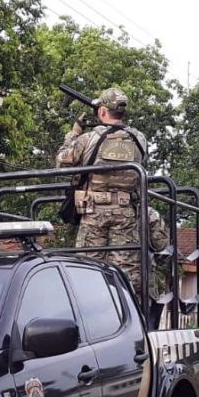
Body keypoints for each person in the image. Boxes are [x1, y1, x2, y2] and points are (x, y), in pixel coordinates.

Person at [56, 87, 149, 298]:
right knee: (126, 276)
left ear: (101, 112)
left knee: (87, 271)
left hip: (93, 212)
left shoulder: (88, 139)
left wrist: (73, 133)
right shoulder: (139, 139)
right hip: (125, 212)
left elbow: (62, 161)